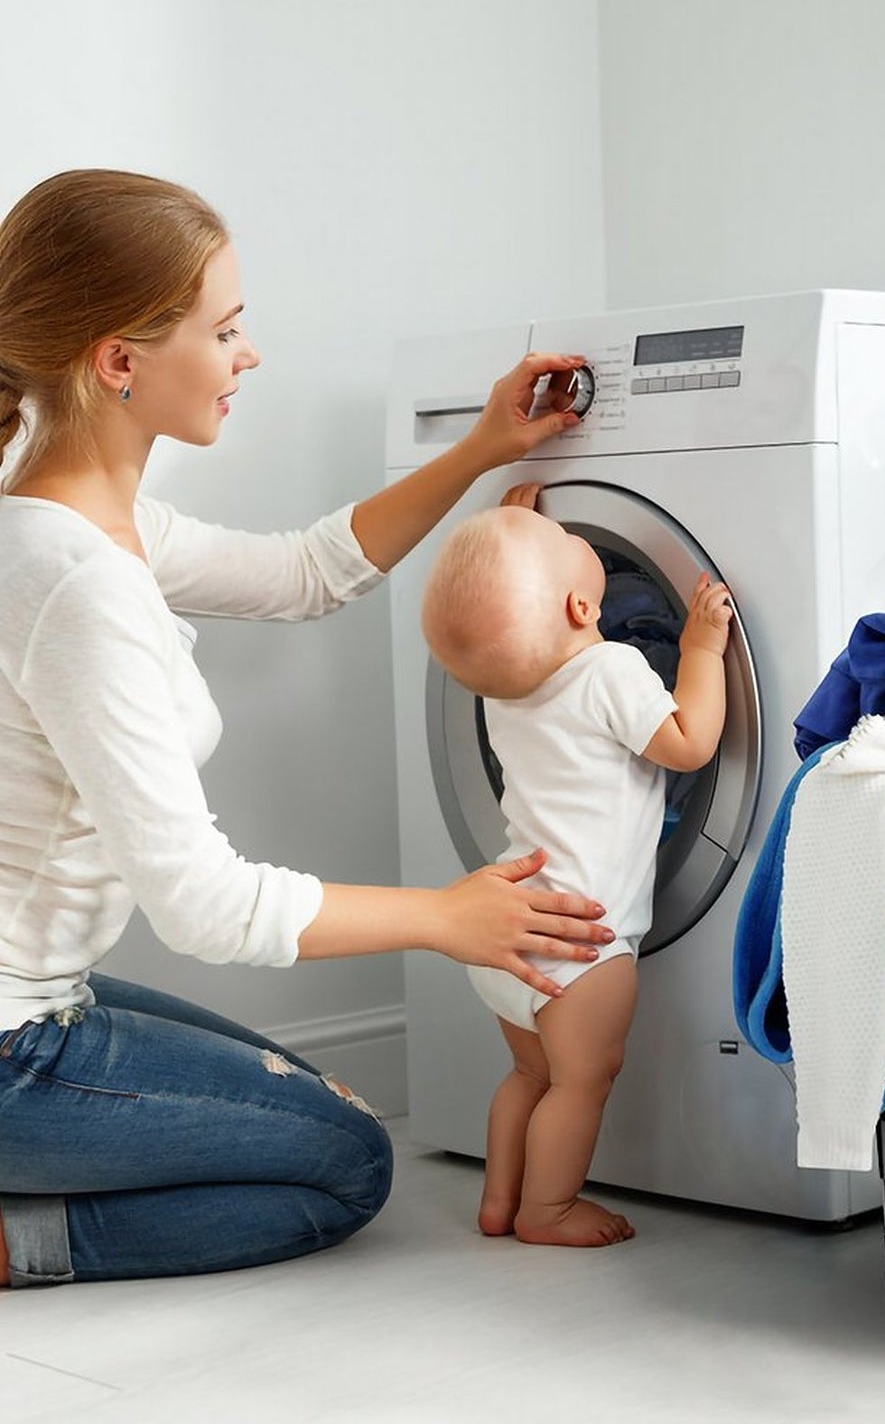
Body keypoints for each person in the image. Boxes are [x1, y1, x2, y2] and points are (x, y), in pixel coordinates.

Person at [0, 168, 617, 1288]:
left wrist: (484, 446)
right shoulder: (76, 581)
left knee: (306, 1099)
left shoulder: (76, 517)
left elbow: (305, 572)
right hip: (13, 1045)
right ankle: (17, 1236)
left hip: (37, 996)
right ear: (119, 360)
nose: (251, 355)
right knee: (343, 1161)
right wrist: (445, 915)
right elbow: (203, 902)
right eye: (225, 329)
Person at [421, 498, 731, 1246]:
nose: (571, 531)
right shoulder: (612, 667)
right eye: (565, 537)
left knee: (528, 1077)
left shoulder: (502, 687)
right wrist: (697, 651)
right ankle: (547, 1208)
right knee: (582, 1082)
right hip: (582, 942)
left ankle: (498, 1199)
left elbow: (503, 622)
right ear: (583, 604)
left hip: (510, 924)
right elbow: (687, 743)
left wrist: (511, 537)